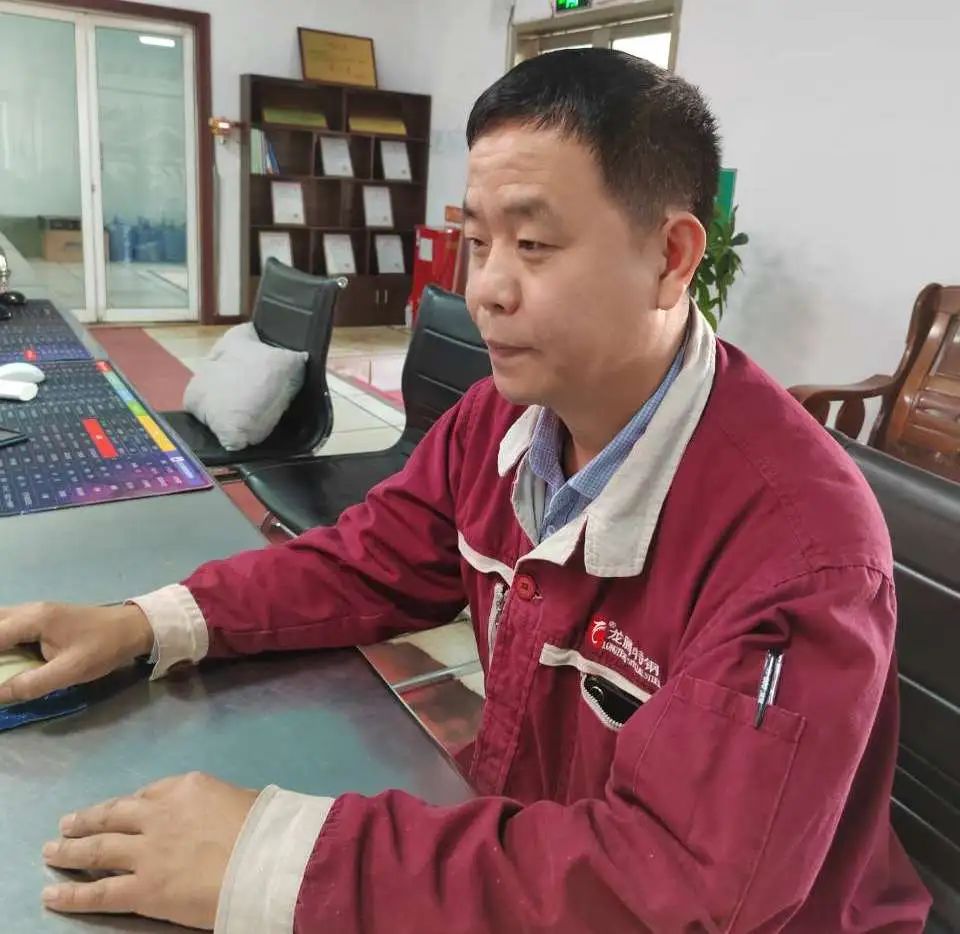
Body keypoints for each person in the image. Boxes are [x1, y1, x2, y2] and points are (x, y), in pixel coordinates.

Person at [0, 49, 930, 933]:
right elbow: (364, 563)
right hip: (529, 851)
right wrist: (147, 622)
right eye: (478, 241)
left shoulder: (797, 552)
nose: (486, 288)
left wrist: (276, 861)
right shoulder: (499, 421)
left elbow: (683, 890)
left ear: (672, 257)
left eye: (534, 243)